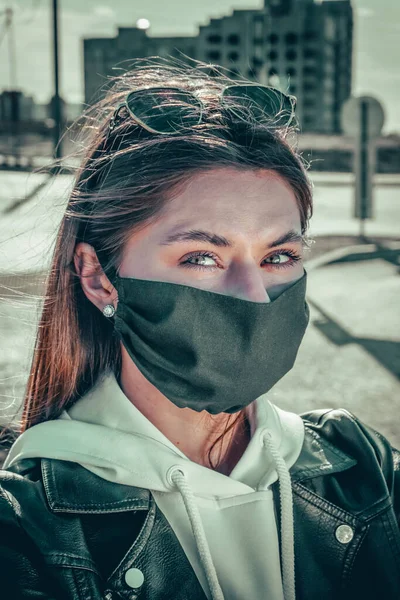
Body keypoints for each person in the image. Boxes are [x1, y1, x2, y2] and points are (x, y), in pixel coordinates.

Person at [0, 58, 399, 600]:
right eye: (201, 258)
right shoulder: (25, 525)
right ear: (98, 278)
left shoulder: (362, 467)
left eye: (278, 255)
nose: (255, 295)